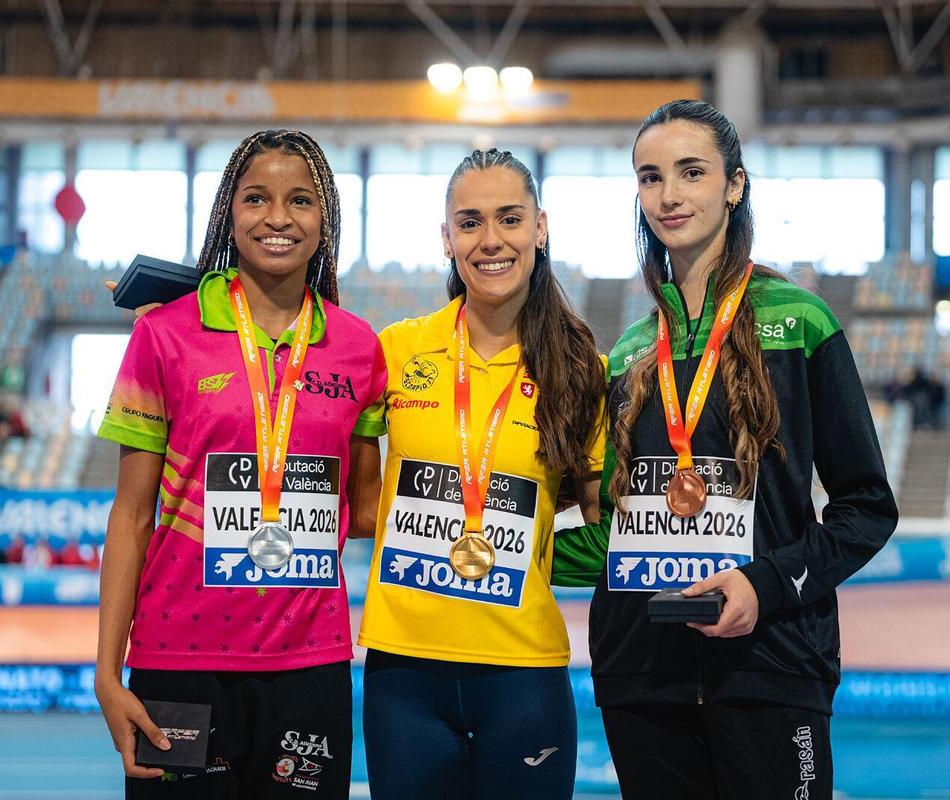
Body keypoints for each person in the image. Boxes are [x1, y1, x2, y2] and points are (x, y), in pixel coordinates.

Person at [558, 100, 898, 799]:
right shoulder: (627, 351)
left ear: (734, 185)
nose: (670, 195)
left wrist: (762, 586)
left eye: (691, 172)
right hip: (643, 674)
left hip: (769, 665)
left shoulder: (799, 321)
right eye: (651, 178)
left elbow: (866, 507)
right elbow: (617, 528)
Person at [94, 129, 385, 798]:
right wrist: (108, 674)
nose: (278, 218)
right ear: (229, 211)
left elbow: (365, 510)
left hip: (310, 670)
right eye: (256, 198)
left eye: (300, 201)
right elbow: (132, 514)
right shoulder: (163, 333)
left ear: (326, 219)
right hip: (178, 662)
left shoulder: (358, 348)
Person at [350, 148, 607, 800]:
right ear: (446, 238)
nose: (490, 240)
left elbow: (606, 523)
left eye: (510, 219)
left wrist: (530, 556)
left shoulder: (581, 370)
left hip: (523, 677)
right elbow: (360, 503)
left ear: (540, 228)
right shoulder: (395, 351)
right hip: (404, 675)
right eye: (469, 222)